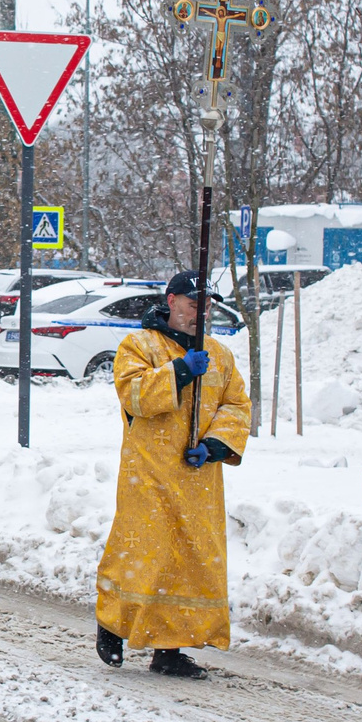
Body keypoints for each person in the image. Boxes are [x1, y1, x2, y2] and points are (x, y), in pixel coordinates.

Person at [94, 271, 251, 679]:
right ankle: (113, 623)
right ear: (172, 301)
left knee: (191, 562)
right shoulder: (139, 345)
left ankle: (170, 649)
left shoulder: (220, 354)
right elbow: (135, 395)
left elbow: (236, 405)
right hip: (149, 474)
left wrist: (215, 445)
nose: (203, 312)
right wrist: (179, 371)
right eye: (195, 303)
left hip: (197, 479)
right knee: (144, 556)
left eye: (208, 304)